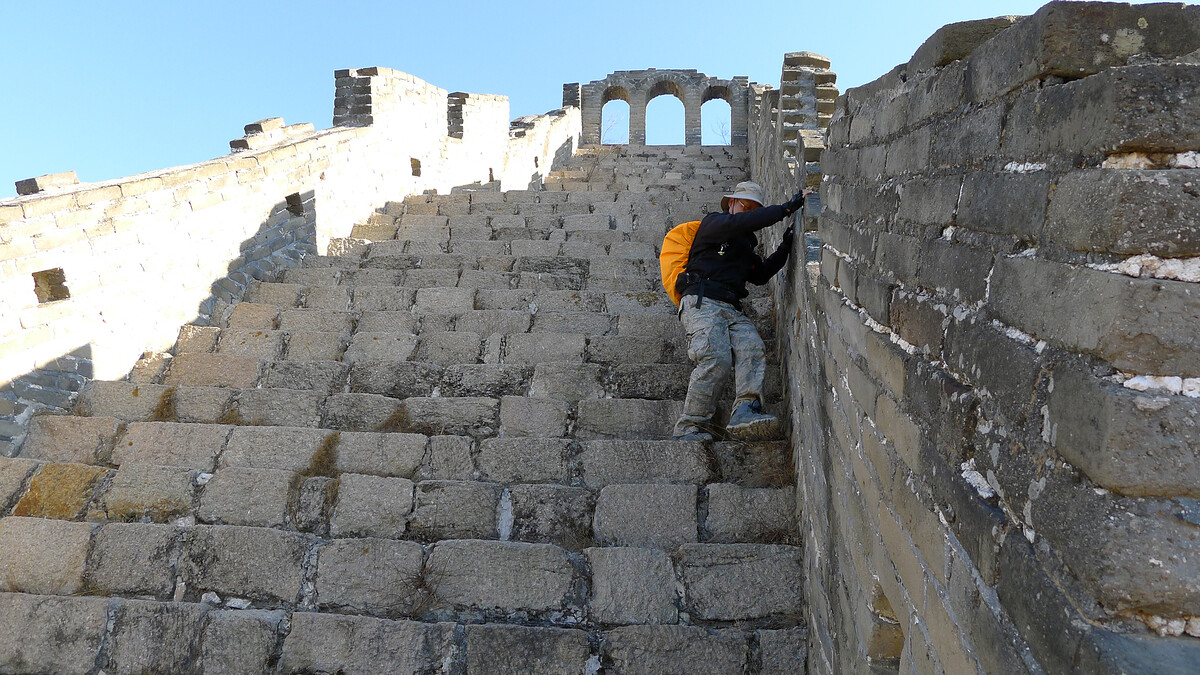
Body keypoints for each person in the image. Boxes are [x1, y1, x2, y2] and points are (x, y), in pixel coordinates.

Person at [671, 181, 811, 441]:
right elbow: (741, 224)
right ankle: (689, 427)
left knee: (752, 348)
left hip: (731, 308)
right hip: (702, 301)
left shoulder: (745, 244)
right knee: (715, 357)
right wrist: (787, 208)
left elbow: (758, 275)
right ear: (732, 203)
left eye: (754, 208)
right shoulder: (714, 224)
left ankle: (745, 410)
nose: (748, 212)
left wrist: (785, 246)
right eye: (745, 206)